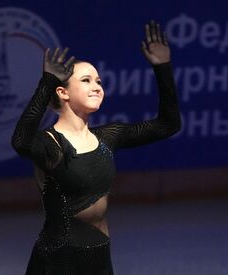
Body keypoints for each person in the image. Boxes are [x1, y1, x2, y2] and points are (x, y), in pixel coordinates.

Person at [11, 20, 181, 274]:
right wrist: (46, 82)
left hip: (99, 258)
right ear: (63, 92)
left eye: (99, 81)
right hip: (58, 260)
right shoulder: (52, 143)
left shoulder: (108, 137)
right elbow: (21, 141)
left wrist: (162, 67)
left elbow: (169, 125)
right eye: (87, 80)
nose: (97, 87)